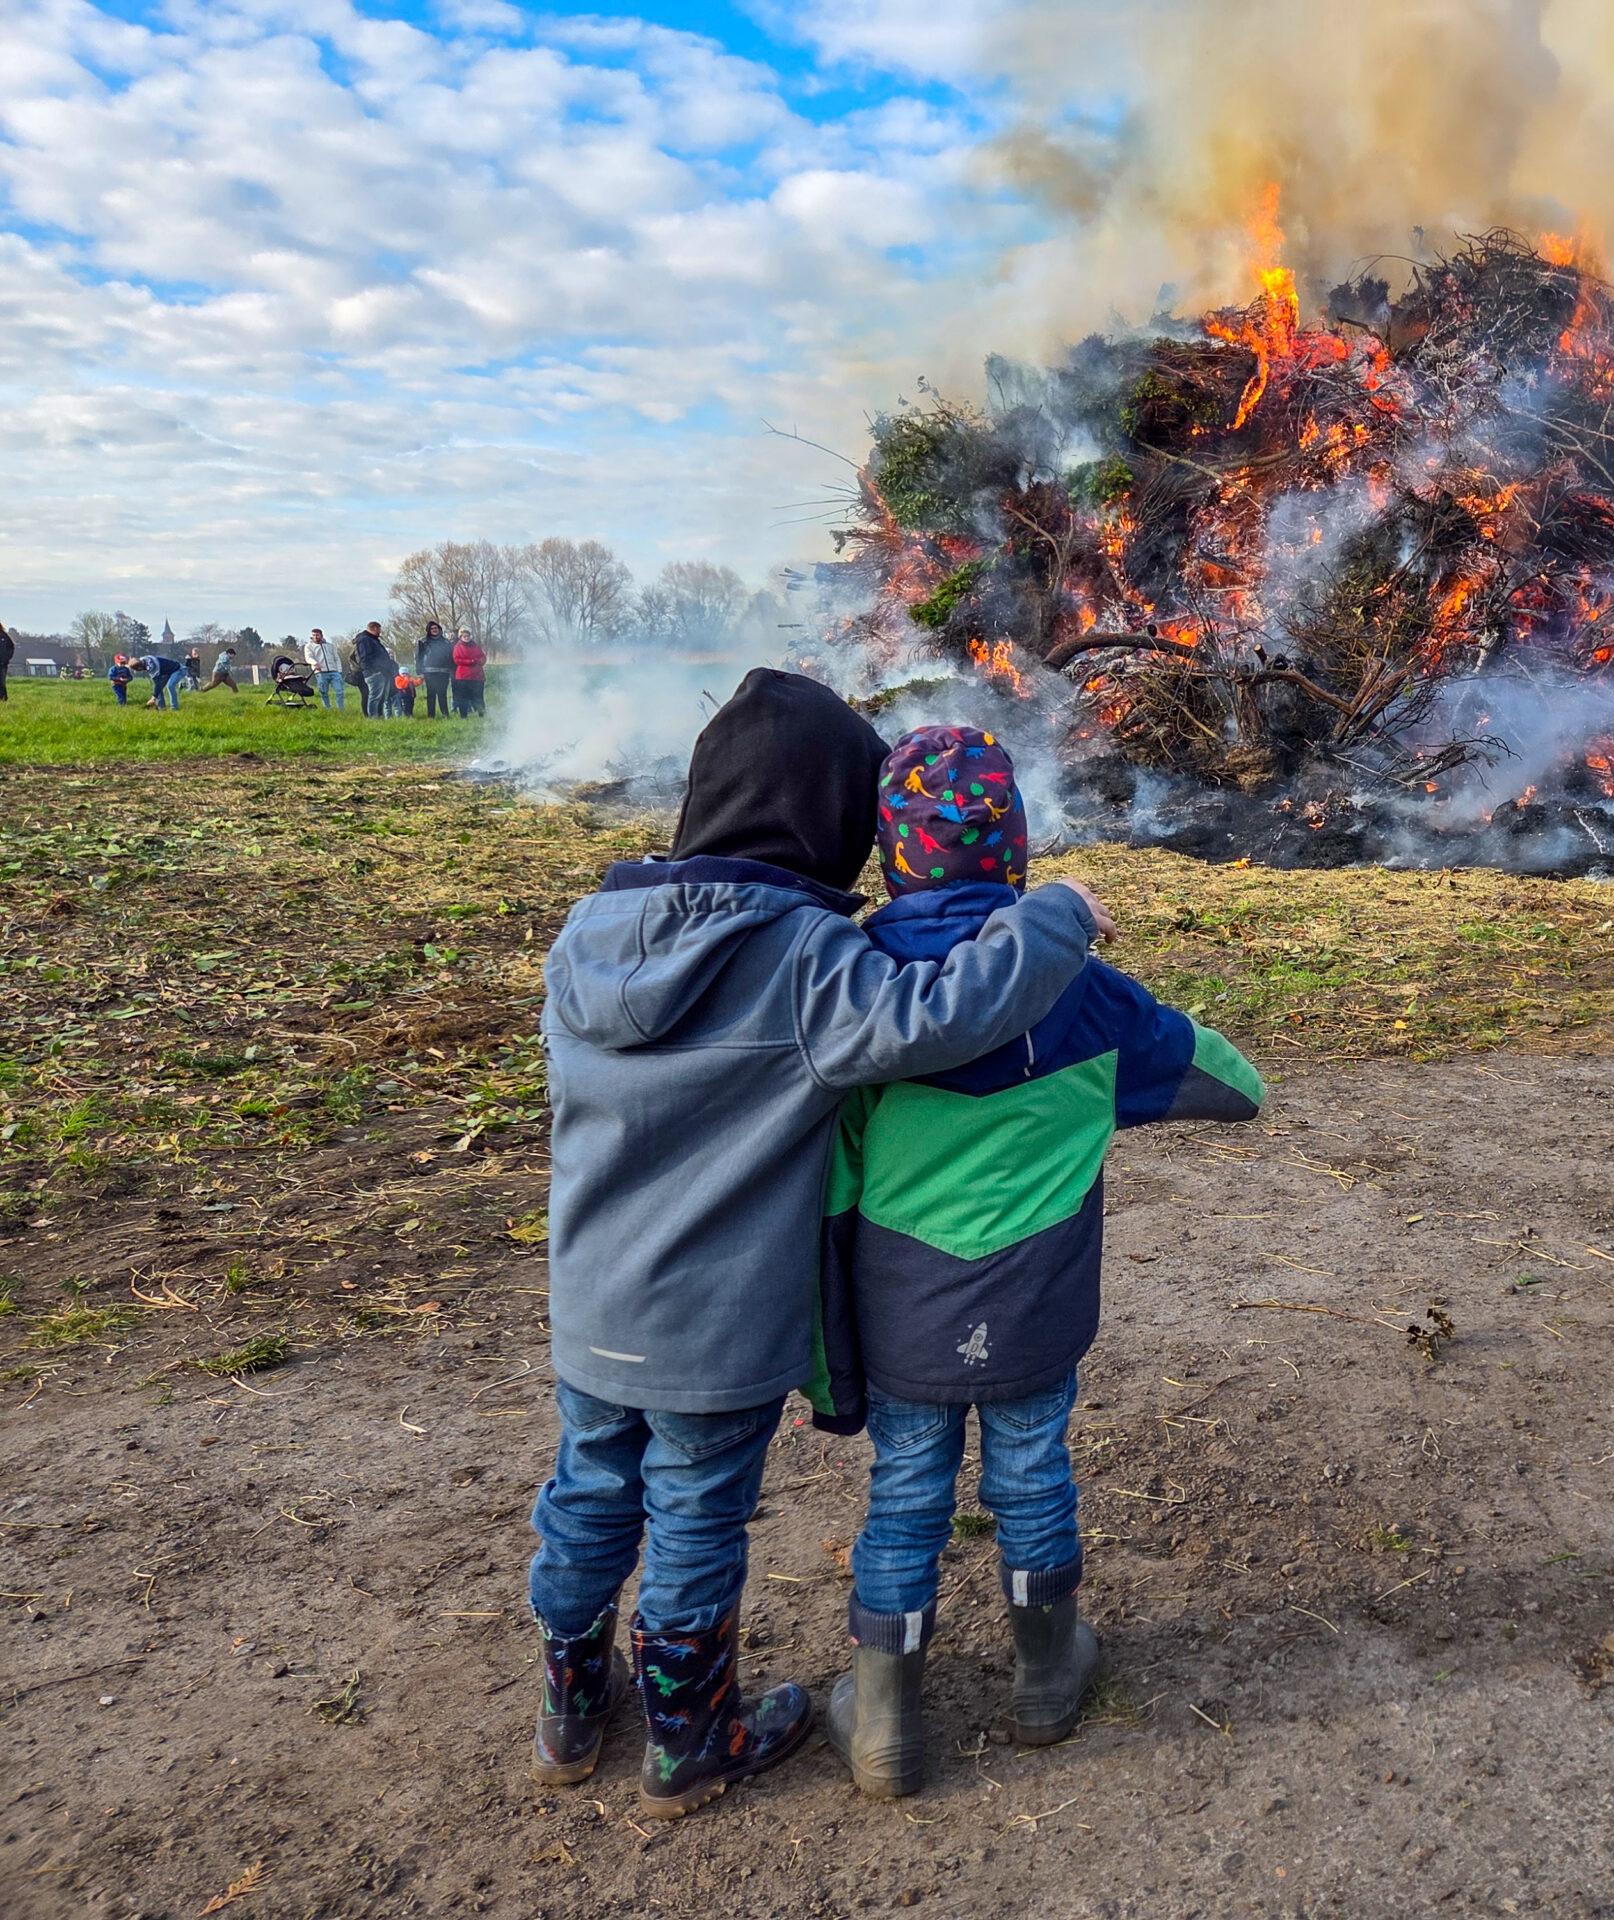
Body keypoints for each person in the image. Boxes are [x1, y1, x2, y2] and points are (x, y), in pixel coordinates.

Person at [524, 669, 1113, 1821]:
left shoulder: (585, 935)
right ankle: (689, 1738)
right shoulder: (802, 954)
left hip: (589, 1306)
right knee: (693, 1510)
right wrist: (1056, 916)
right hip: (718, 1323)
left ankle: (571, 1707)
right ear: (828, 820)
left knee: (587, 1493)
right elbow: (940, 1017)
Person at [812, 726, 1263, 1800]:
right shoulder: (1087, 997)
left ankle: (882, 1725)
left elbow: (828, 1180)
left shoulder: (861, 993)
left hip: (900, 1314)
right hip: (1036, 1308)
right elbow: (1234, 1084)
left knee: (906, 1491)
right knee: (1031, 1473)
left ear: (891, 855)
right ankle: (1046, 1683)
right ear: (1014, 850)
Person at [353, 621, 395, 717]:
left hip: (382, 672)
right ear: (375, 628)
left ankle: (379, 716)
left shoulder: (373, 639)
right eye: (379, 629)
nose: (380, 632)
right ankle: (373, 717)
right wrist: (375, 671)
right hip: (374, 673)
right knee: (375, 697)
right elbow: (365, 658)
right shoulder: (364, 640)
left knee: (381, 697)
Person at [417, 620, 455, 718]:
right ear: (428, 630)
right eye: (432, 628)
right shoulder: (423, 641)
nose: (434, 630)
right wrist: (419, 671)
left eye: (436, 628)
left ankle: (445, 715)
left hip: (444, 672)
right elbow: (419, 657)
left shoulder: (446, 642)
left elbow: (450, 657)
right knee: (431, 694)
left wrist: (452, 670)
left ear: (439, 629)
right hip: (429, 671)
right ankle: (431, 716)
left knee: (442, 694)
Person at [306, 629, 346, 711]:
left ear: (321, 635)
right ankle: (328, 708)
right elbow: (308, 657)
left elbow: (336, 658)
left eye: (317, 635)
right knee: (323, 692)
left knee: (339, 691)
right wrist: (315, 663)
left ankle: (341, 709)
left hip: (334, 671)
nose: (315, 637)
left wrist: (339, 671)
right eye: (313, 635)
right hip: (320, 672)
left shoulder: (330, 646)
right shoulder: (309, 646)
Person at [451, 628, 487, 716]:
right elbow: (457, 660)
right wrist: (470, 662)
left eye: (468, 636)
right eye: (464, 636)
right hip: (463, 676)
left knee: (478, 696)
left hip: (477, 676)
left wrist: (478, 661)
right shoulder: (457, 647)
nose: (466, 638)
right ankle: (463, 716)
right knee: (463, 697)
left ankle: (482, 714)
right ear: (461, 637)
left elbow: (483, 657)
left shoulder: (475, 646)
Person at [0, 620, 14, 699]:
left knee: (1, 682)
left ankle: (3, 698)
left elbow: (11, 647)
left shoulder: (4, 636)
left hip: (2, 664)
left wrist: (6, 658)